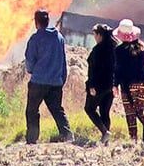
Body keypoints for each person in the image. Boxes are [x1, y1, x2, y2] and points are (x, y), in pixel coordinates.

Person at [23, 9, 73, 145]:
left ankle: (32, 139)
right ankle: (68, 135)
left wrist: (32, 71)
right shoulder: (59, 37)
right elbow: (63, 60)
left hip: (38, 82)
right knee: (57, 110)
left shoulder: (35, 38)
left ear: (36, 22)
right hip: (56, 82)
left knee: (32, 110)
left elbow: (29, 61)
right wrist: (62, 78)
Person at [114, 18, 144, 145]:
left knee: (130, 112)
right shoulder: (143, 49)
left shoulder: (119, 50)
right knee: (140, 109)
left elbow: (118, 70)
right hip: (143, 82)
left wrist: (115, 84)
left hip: (128, 84)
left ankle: (133, 139)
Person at [85, 23, 116, 146]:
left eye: (95, 34)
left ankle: (104, 132)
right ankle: (106, 141)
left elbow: (93, 69)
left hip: (98, 85)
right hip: (110, 86)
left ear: (100, 35)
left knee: (89, 108)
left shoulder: (98, 50)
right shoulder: (114, 48)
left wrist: (91, 86)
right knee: (105, 111)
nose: (94, 37)